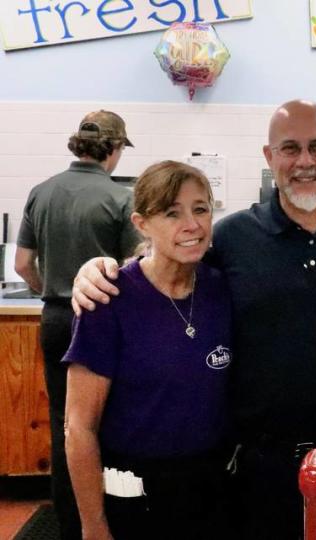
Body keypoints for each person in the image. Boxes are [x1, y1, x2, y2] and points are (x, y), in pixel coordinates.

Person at [72, 100, 316, 539]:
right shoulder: (233, 237)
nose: (305, 161)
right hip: (259, 463)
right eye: (289, 148)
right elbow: (166, 262)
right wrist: (98, 269)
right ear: (269, 156)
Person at [64, 160, 231, 539]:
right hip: (135, 491)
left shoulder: (223, 288)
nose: (192, 224)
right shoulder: (108, 299)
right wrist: (93, 525)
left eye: (201, 208)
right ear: (141, 224)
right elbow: (78, 427)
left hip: (214, 488)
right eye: (172, 213)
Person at [15, 110, 140, 540]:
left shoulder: (40, 191)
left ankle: (71, 525)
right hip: (101, 323)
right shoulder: (122, 199)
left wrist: (50, 289)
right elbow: (135, 270)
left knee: (63, 424)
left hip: (54, 319)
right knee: (101, 425)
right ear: (114, 148)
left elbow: (23, 264)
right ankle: (106, 522)